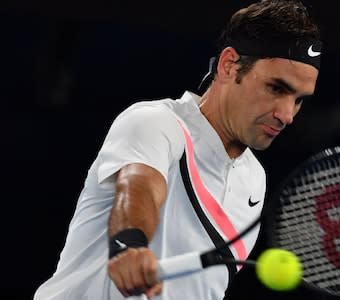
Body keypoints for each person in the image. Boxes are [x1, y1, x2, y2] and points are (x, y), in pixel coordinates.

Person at [33, 0, 323, 299]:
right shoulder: (157, 122)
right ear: (228, 65)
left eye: (299, 99)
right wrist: (130, 245)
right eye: (277, 88)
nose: (287, 114)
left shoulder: (255, 180)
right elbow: (139, 184)